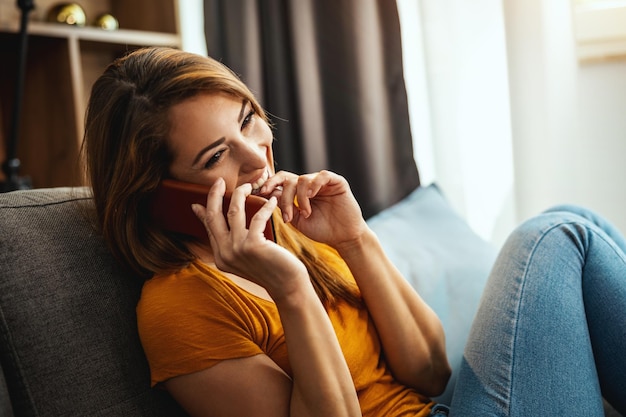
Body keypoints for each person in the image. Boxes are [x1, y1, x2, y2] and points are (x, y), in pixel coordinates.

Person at [82, 46, 625, 417]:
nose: (257, 158)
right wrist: (291, 289)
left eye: (247, 120)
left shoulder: (291, 227)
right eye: (217, 154)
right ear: (160, 194)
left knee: (580, 226)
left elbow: (431, 371)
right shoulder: (179, 308)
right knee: (557, 235)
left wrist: (354, 239)